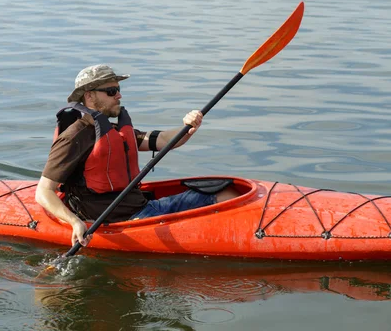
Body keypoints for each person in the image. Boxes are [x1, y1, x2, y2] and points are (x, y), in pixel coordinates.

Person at [35, 64, 240, 247]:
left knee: (225, 190)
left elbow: (163, 140)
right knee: (225, 196)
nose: (119, 96)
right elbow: (43, 191)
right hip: (125, 220)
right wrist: (74, 222)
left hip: (141, 208)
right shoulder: (74, 137)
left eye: (118, 90)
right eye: (111, 91)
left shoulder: (114, 132)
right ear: (89, 96)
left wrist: (188, 126)